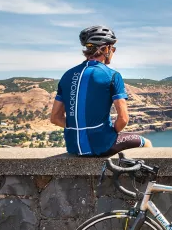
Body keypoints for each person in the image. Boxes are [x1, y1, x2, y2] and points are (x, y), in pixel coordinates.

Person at [50, 25, 152, 156]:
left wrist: (80, 129)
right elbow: (123, 119)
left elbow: (55, 118)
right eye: (113, 49)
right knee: (146, 142)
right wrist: (107, 134)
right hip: (102, 146)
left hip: (74, 147)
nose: (113, 52)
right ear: (105, 48)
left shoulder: (67, 75)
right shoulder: (112, 75)